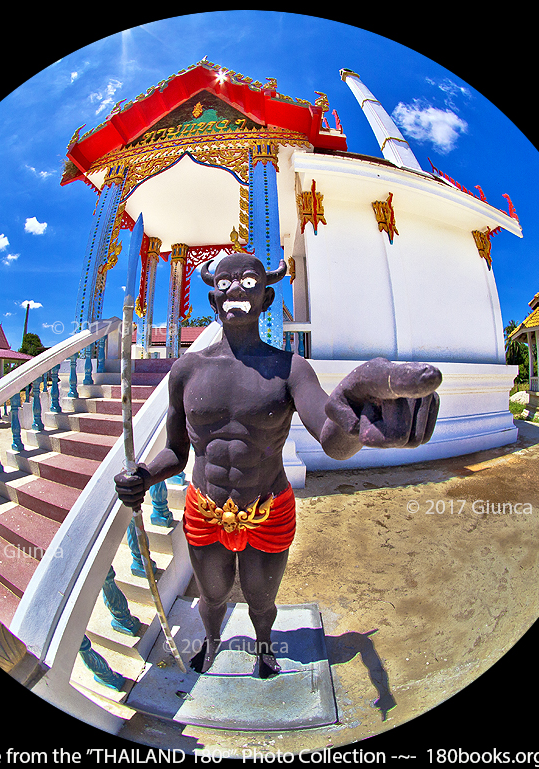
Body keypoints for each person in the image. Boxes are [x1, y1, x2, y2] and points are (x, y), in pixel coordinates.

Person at [115, 253, 441, 677]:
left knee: (261, 598)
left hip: (268, 508)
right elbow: (177, 452)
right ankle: (211, 644)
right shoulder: (185, 371)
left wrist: (352, 418)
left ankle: (265, 648)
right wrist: (144, 475)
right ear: (214, 301)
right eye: (226, 282)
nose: (235, 289)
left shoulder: (290, 369)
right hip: (205, 509)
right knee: (211, 595)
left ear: (266, 298)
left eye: (248, 281)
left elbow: (330, 438)